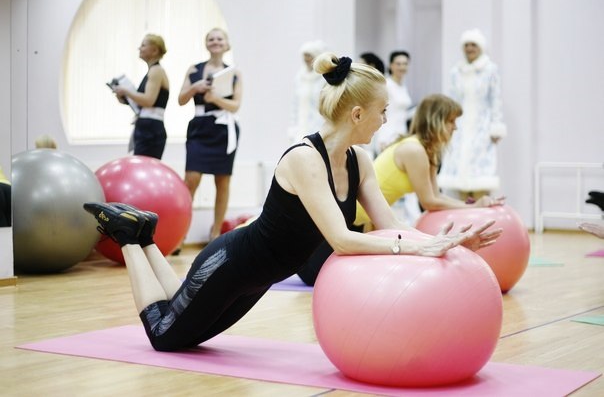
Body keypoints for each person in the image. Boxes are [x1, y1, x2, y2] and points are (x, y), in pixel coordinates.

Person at [84, 53, 502, 352]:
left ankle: (146, 235)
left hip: (259, 278)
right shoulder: (305, 159)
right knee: (164, 336)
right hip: (233, 264)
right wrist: (416, 246)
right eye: (382, 111)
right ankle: (128, 235)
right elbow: (341, 239)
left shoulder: (360, 160)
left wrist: (447, 241)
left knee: (182, 316)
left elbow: (389, 226)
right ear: (357, 114)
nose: (386, 121)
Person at [298, 94, 505, 285]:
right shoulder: (413, 149)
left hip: (363, 225)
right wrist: (473, 206)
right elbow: (429, 202)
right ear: (436, 120)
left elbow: (434, 197)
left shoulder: (427, 152)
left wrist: (453, 235)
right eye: (451, 121)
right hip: (338, 232)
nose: (455, 128)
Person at [178, 28, 243, 242]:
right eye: (211, 39)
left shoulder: (234, 73)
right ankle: (180, 232)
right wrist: (194, 88)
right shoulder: (193, 70)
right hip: (199, 127)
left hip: (224, 131)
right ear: (206, 44)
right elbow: (181, 99)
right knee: (191, 179)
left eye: (220, 38)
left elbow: (235, 106)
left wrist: (215, 99)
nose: (215, 42)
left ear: (226, 44)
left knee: (222, 182)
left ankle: (215, 233)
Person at [438, 28, 507, 201]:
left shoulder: (490, 69)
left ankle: (481, 210)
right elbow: (451, 100)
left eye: (473, 45)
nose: (469, 48)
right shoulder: (456, 71)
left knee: (480, 175)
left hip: (482, 127)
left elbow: (495, 100)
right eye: (466, 45)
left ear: (480, 47)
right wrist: (447, 123)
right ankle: (462, 212)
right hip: (459, 127)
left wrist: (496, 127)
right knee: (458, 172)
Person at [112, 33, 169, 159]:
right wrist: (123, 96)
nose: (140, 48)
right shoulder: (151, 71)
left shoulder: (156, 71)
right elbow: (141, 102)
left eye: (143, 45)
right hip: (145, 125)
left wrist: (127, 91)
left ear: (154, 50)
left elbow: (148, 101)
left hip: (151, 128)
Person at [371, 50, 413, 155]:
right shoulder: (386, 85)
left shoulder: (403, 86)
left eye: (405, 64)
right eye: (398, 64)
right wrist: (381, 138)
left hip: (401, 132)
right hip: (387, 133)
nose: (402, 67)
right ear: (391, 65)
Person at [288, 40, 328, 144]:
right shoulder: (299, 78)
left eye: (309, 56)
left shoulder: (324, 78)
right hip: (300, 129)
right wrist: (292, 129)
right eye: (304, 56)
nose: (306, 59)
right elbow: (294, 105)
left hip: (319, 128)